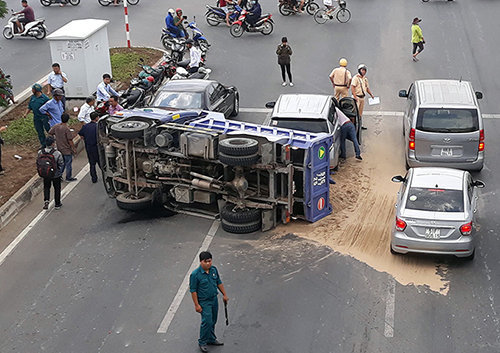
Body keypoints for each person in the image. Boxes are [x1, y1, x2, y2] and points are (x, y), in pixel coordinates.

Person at [190, 251, 228, 353]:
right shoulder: (195, 275)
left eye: (209, 261)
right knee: (206, 321)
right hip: (204, 302)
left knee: (213, 320)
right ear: (200, 261)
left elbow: (218, 282)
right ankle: (202, 341)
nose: (208, 264)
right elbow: (193, 291)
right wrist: (197, 305)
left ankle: (211, 338)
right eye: (205, 261)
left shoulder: (213, 270)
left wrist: (224, 294)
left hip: (214, 299)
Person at [49, 113, 77, 182]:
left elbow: (50, 133)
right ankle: (68, 177)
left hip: (59, 148)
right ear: (68, 120)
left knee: (61, 164)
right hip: (67, 150)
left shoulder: (56, 126)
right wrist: (74, 148)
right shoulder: (67, 129)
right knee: (68, 164)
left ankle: (59, 176)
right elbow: (70, 140)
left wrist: (54, 141)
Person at [39, 136, 64, 210]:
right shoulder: (57, 153)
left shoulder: (40, 152)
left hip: (45, 174)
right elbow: (61, 163)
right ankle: (57, 203)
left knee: (46, 187)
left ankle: (46, 200)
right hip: (55, 174)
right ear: (53, 144)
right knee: (57, 188)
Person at [78, 112, 101, 184]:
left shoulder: (85, 126)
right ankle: (106, 176)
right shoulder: (98, 127)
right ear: (97, 118)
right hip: (96, 147)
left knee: (92, 163)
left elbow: (80, 134)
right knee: (100, 162)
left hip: (88, 147)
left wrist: (86, 139)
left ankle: (94, 178)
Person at [351, 64, 374, 130]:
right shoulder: (356, 78)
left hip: (362, 98)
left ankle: (360, 125)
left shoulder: (365, 79)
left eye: (364, 70)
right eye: (362, 70)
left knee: (360, 113)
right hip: (357, 98)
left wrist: (371, 94)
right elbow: (352, 87)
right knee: (355, 112)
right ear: (359, 70)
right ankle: (353, 126)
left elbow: (367, 88)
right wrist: (355, 96)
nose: (363, 72)